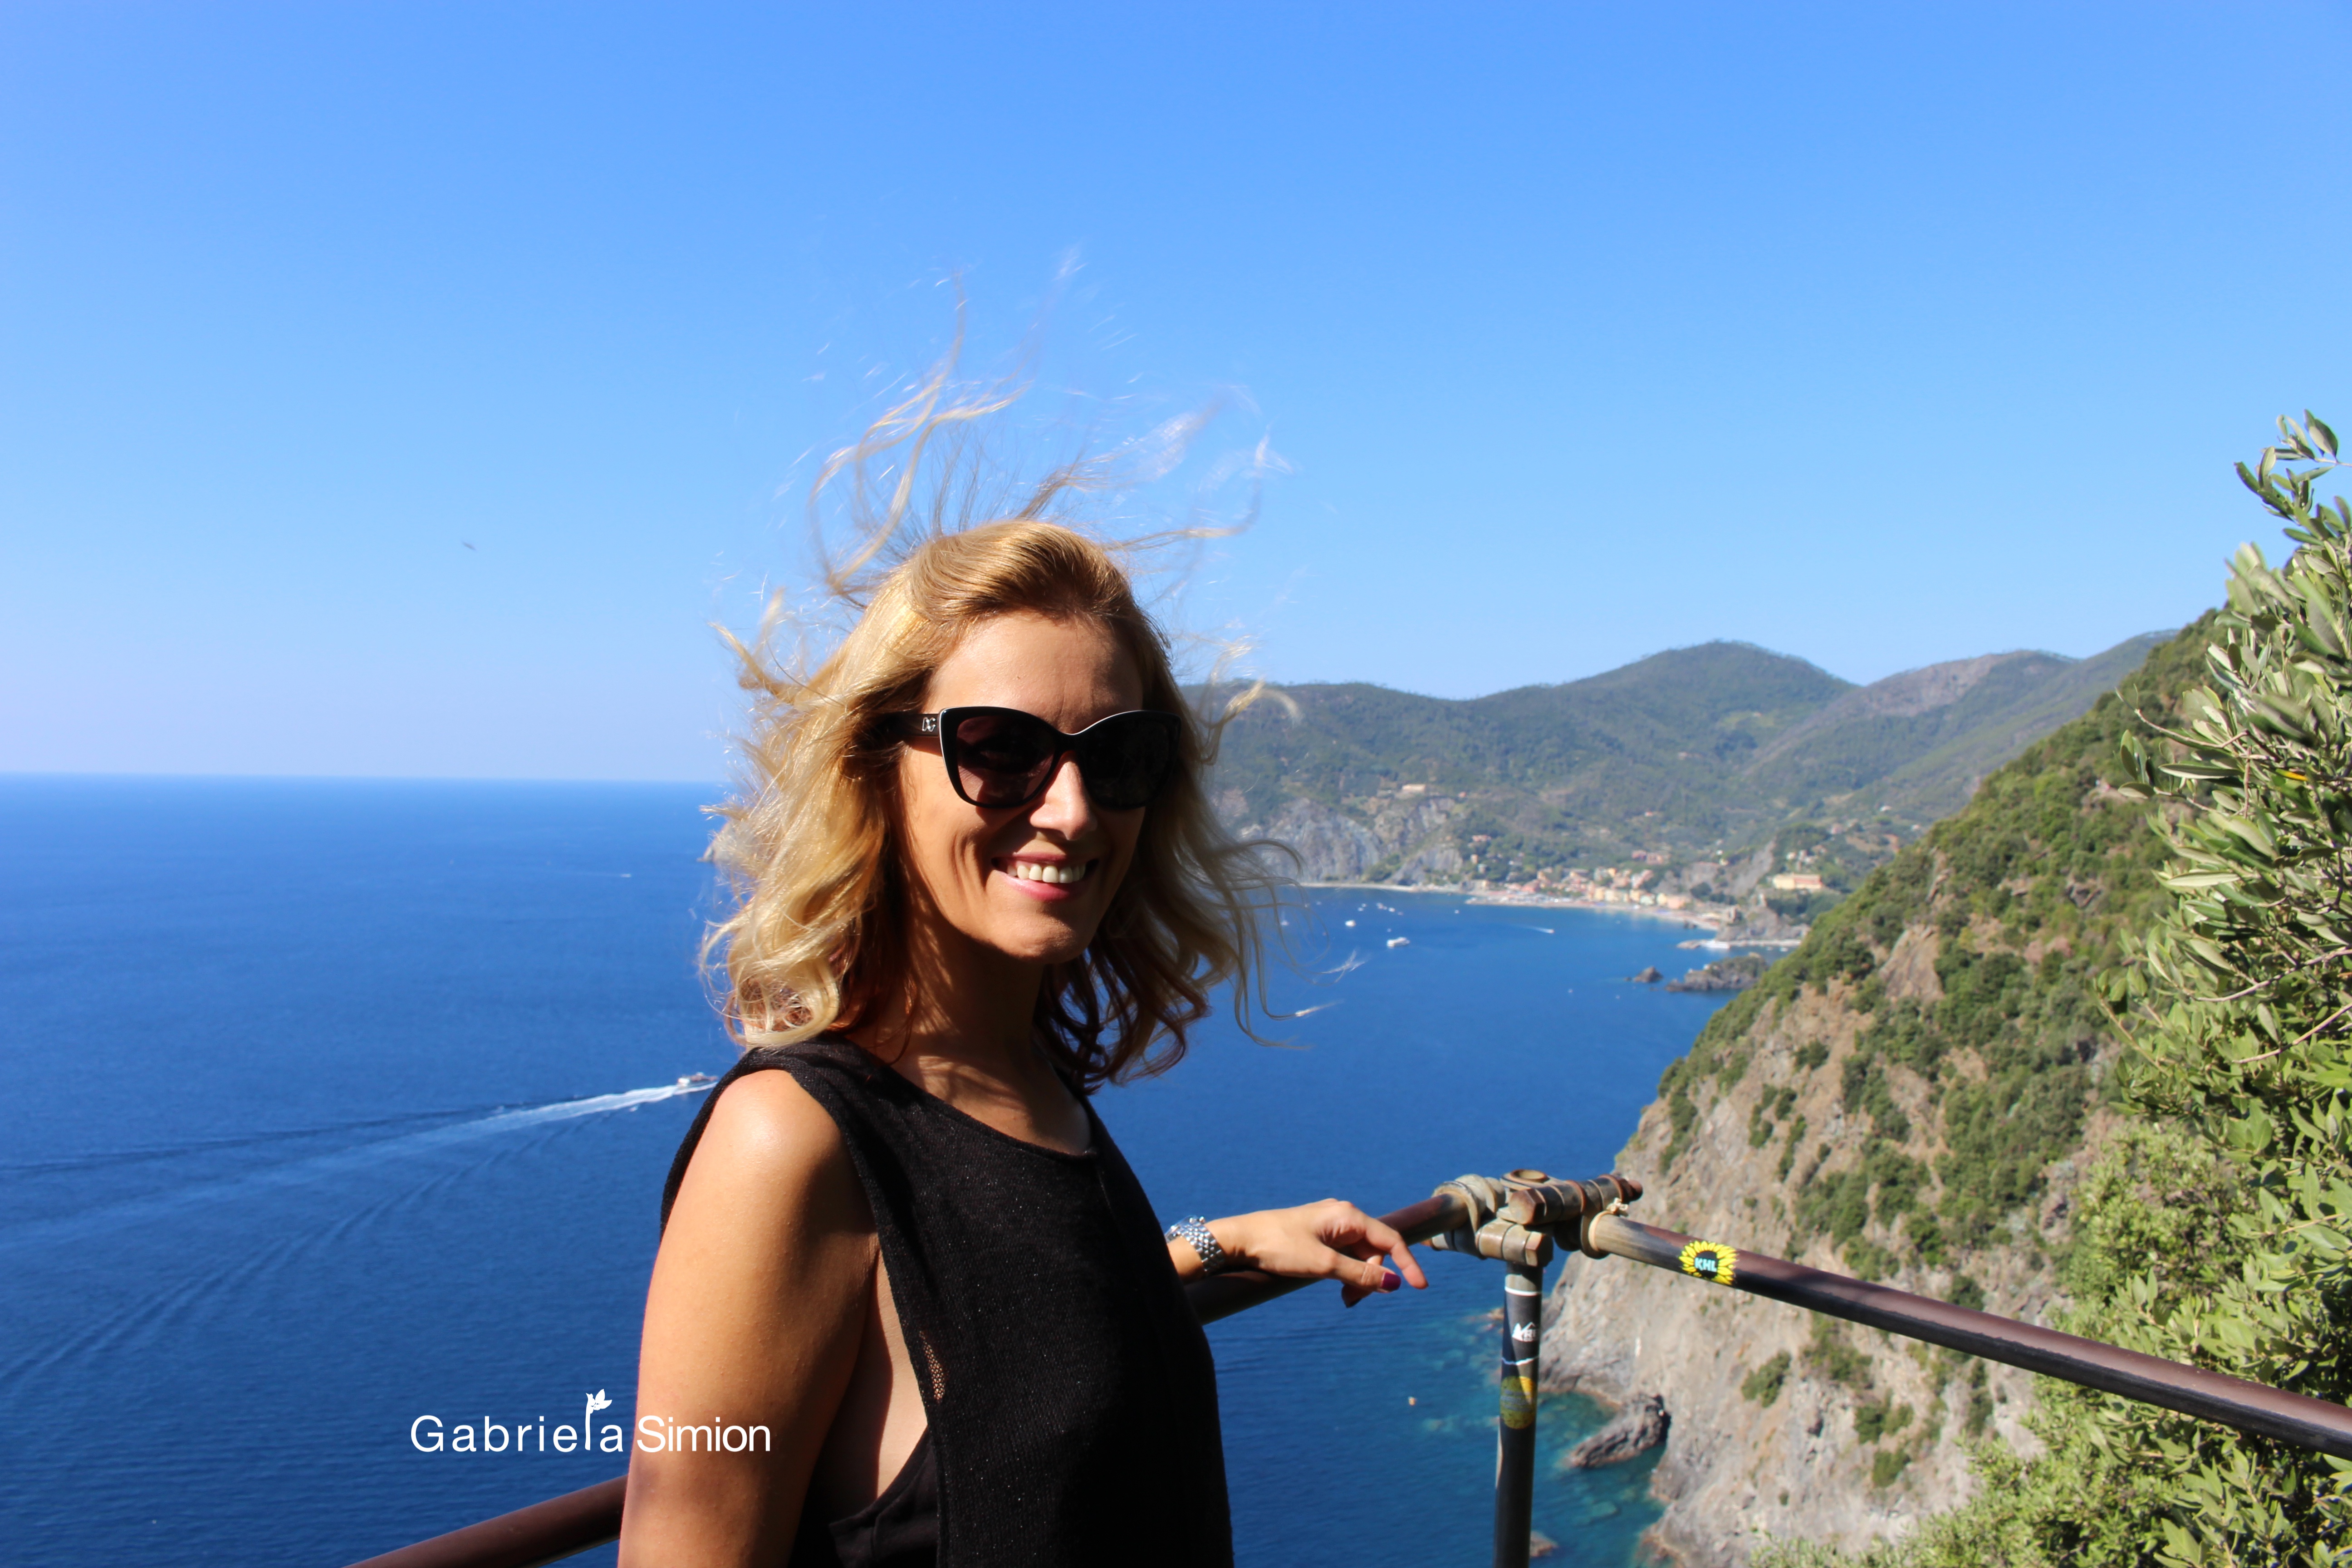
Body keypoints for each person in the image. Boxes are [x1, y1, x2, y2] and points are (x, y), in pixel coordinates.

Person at [619, 442, 1427, 1567]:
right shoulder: (789, 1146)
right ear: (874, 766)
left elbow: (1015, 1327)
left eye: (1118, 756)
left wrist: (1218, 1244)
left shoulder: (1025, 1085)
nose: (1072, 809)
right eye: (999, 749)